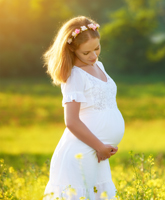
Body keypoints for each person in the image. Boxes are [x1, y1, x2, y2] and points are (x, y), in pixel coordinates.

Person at [42, 16, 125, 200]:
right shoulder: (75, 76)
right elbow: (71, 121)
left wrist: (102, 148)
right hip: (83, 151)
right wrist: (99, 146)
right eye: (87, 53)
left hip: (98, 153)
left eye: (97, 48)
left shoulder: (99, 66)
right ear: (72, 49)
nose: (94, 56)